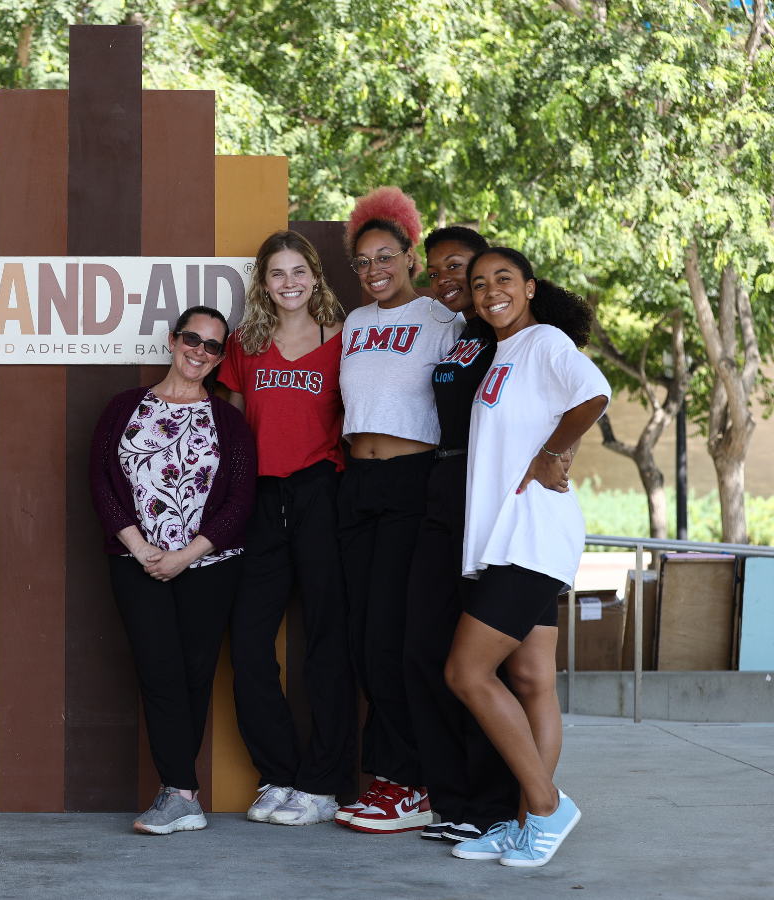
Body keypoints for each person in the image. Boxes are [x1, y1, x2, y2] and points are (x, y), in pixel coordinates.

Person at [445, 247, 609, 867]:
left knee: (466, 673)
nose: (490, 292)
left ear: (531, 287)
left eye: (504, 280)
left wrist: (552, 452)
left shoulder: (543, 342)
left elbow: (594, 393)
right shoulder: (502, 356)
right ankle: (523, 824)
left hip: (533, 538)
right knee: (533, 680)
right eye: (479, 284)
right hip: (509, 540)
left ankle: (545, 807)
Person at [89, 306, 256, 836]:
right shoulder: (124, 408)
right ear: (172, 340)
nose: (200, 352)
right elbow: (100, 480)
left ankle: (179, 794)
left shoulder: (228, 420)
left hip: (209, 564)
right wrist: (142, 550)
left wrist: (186, 555)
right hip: (134, 562)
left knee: (192, 674)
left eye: (213, 347)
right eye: (192, 339)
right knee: (158, 669)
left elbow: (240, 499)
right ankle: (181, 792)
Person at [332, 187, 465, 835]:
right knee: (362, 637)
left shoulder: (444, 322)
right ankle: (388, 779)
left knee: (392, 637)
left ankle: (411, 783)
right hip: (357, 486)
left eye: (386, 256)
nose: (374, 269)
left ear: (411, 257)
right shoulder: (355, 325)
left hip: (414, 485)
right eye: (362, 261)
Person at [216, 231, 355, 826]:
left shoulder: (343, 342)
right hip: (262, 498)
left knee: (328, 643)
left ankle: (323, 785)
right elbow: (235, 431)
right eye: (277, 273)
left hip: (322, 493)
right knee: (249, 645)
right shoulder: (245, 344)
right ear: (263, 283)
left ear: (315, 276)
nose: (290, 282)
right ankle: (277, 775)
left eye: (299, 271)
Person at [402, 226, 522, 843]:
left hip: (486, 497)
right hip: (440, 490)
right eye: (438, 271)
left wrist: (558, 455)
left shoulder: (512, 337)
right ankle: (450, 801)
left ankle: (494, 807)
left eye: (461, 268)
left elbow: (572, 397)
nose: (447, 280)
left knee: (480, 663)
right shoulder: (458, 339)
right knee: (422, 648)